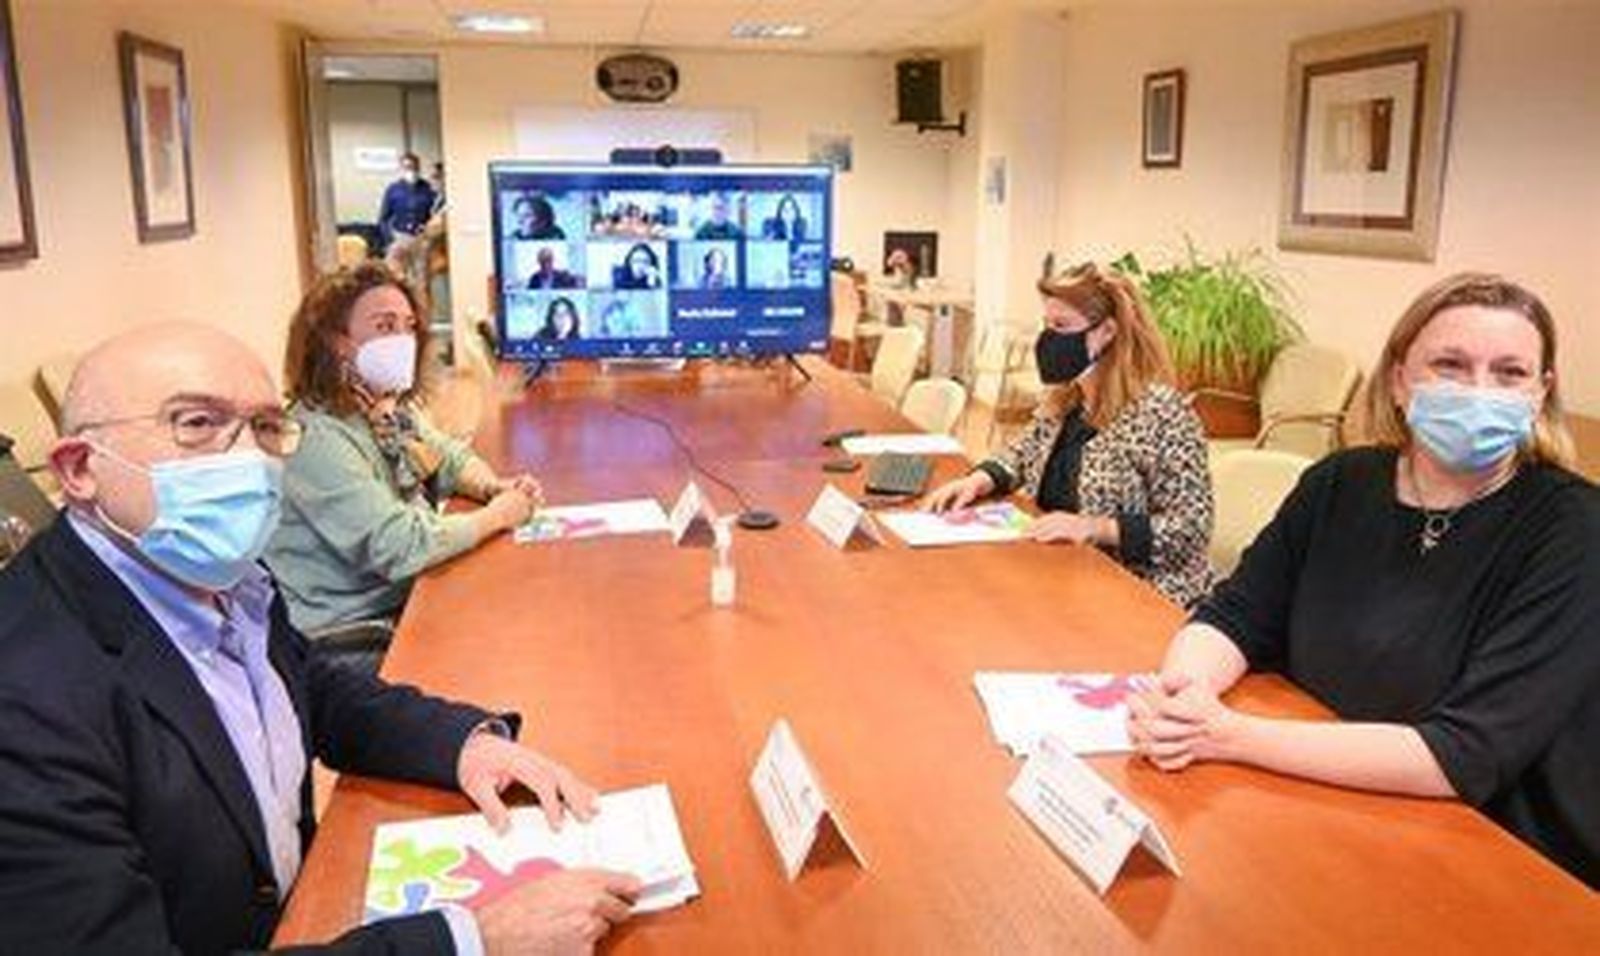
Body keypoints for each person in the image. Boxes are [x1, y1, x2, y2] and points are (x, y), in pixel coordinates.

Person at [0, 322, 642, 953]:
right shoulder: (25, 700)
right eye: (195, 423)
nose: (248, 458)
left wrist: (460, 744)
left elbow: (307, 685)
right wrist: (473, 940)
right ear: (79, 468)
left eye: (264, 426)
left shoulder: (219, 576)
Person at [1129, 273, 1599, 889]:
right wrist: (1181, 699)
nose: (1479, 391)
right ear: (1399, 380)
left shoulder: (1576, 529)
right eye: (1451, 365)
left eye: (1509, 373)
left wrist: (1228, 736)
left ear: (1540, 394)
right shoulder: (1339, 482)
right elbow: (1235, 615)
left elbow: (1464, 755)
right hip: (1325, 803)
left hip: (1496, 851)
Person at [266, 263, 544, 635]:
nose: (403, 341)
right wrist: (497, 516)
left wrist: (492, 487)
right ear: (335, 341)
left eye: (409, 326)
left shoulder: (381, 407)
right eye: (385, 326)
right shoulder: (314, 439)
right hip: (355, 631)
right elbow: (400, 546)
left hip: (406, 596)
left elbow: (448, 457)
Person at [924, 261, 1214, 607]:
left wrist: (1095, 527)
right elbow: (1021, 453)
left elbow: (1192, 529)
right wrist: (979, 481)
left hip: (1139, 592)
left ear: (1107, 331)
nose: (1048, 339)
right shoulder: (1067, 397)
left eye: (1061, 326)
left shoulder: (1162, 413)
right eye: (1047, 325)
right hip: (1060, 572)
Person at [376, 152, 437, 254]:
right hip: (400, 237)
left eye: (414, 167)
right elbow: (383, 219)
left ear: (419, 168)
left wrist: (430, 234)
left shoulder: (428, 188)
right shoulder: (393, 189)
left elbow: (435, 214)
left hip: (422, 237)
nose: (411, 170)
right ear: (401, 169)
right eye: (407, 167)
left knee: (421, 264)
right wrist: (390, 239)